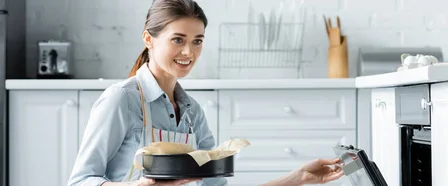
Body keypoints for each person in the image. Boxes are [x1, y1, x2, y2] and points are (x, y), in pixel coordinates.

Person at [66, 0, 344, 185]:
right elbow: (80, 180)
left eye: (197, 41)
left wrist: (298, 178)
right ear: (148, 39)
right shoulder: (122, 100)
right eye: (178, 40)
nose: (189, 52)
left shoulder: (192, 112)